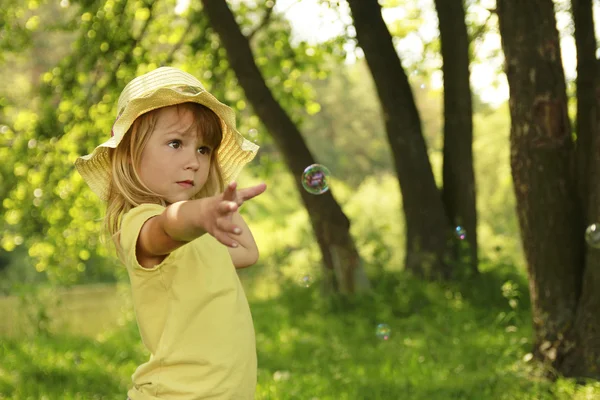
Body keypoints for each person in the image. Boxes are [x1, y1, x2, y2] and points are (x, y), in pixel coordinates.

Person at [75, 67, 267, 400]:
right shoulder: (139, 224)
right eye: (176, 143)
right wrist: (202, 210)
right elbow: (170, 226)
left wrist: (216, 202)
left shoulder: (202, 232)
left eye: (203, 150)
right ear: (131, 155)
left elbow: (248, 253)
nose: (193, 161)